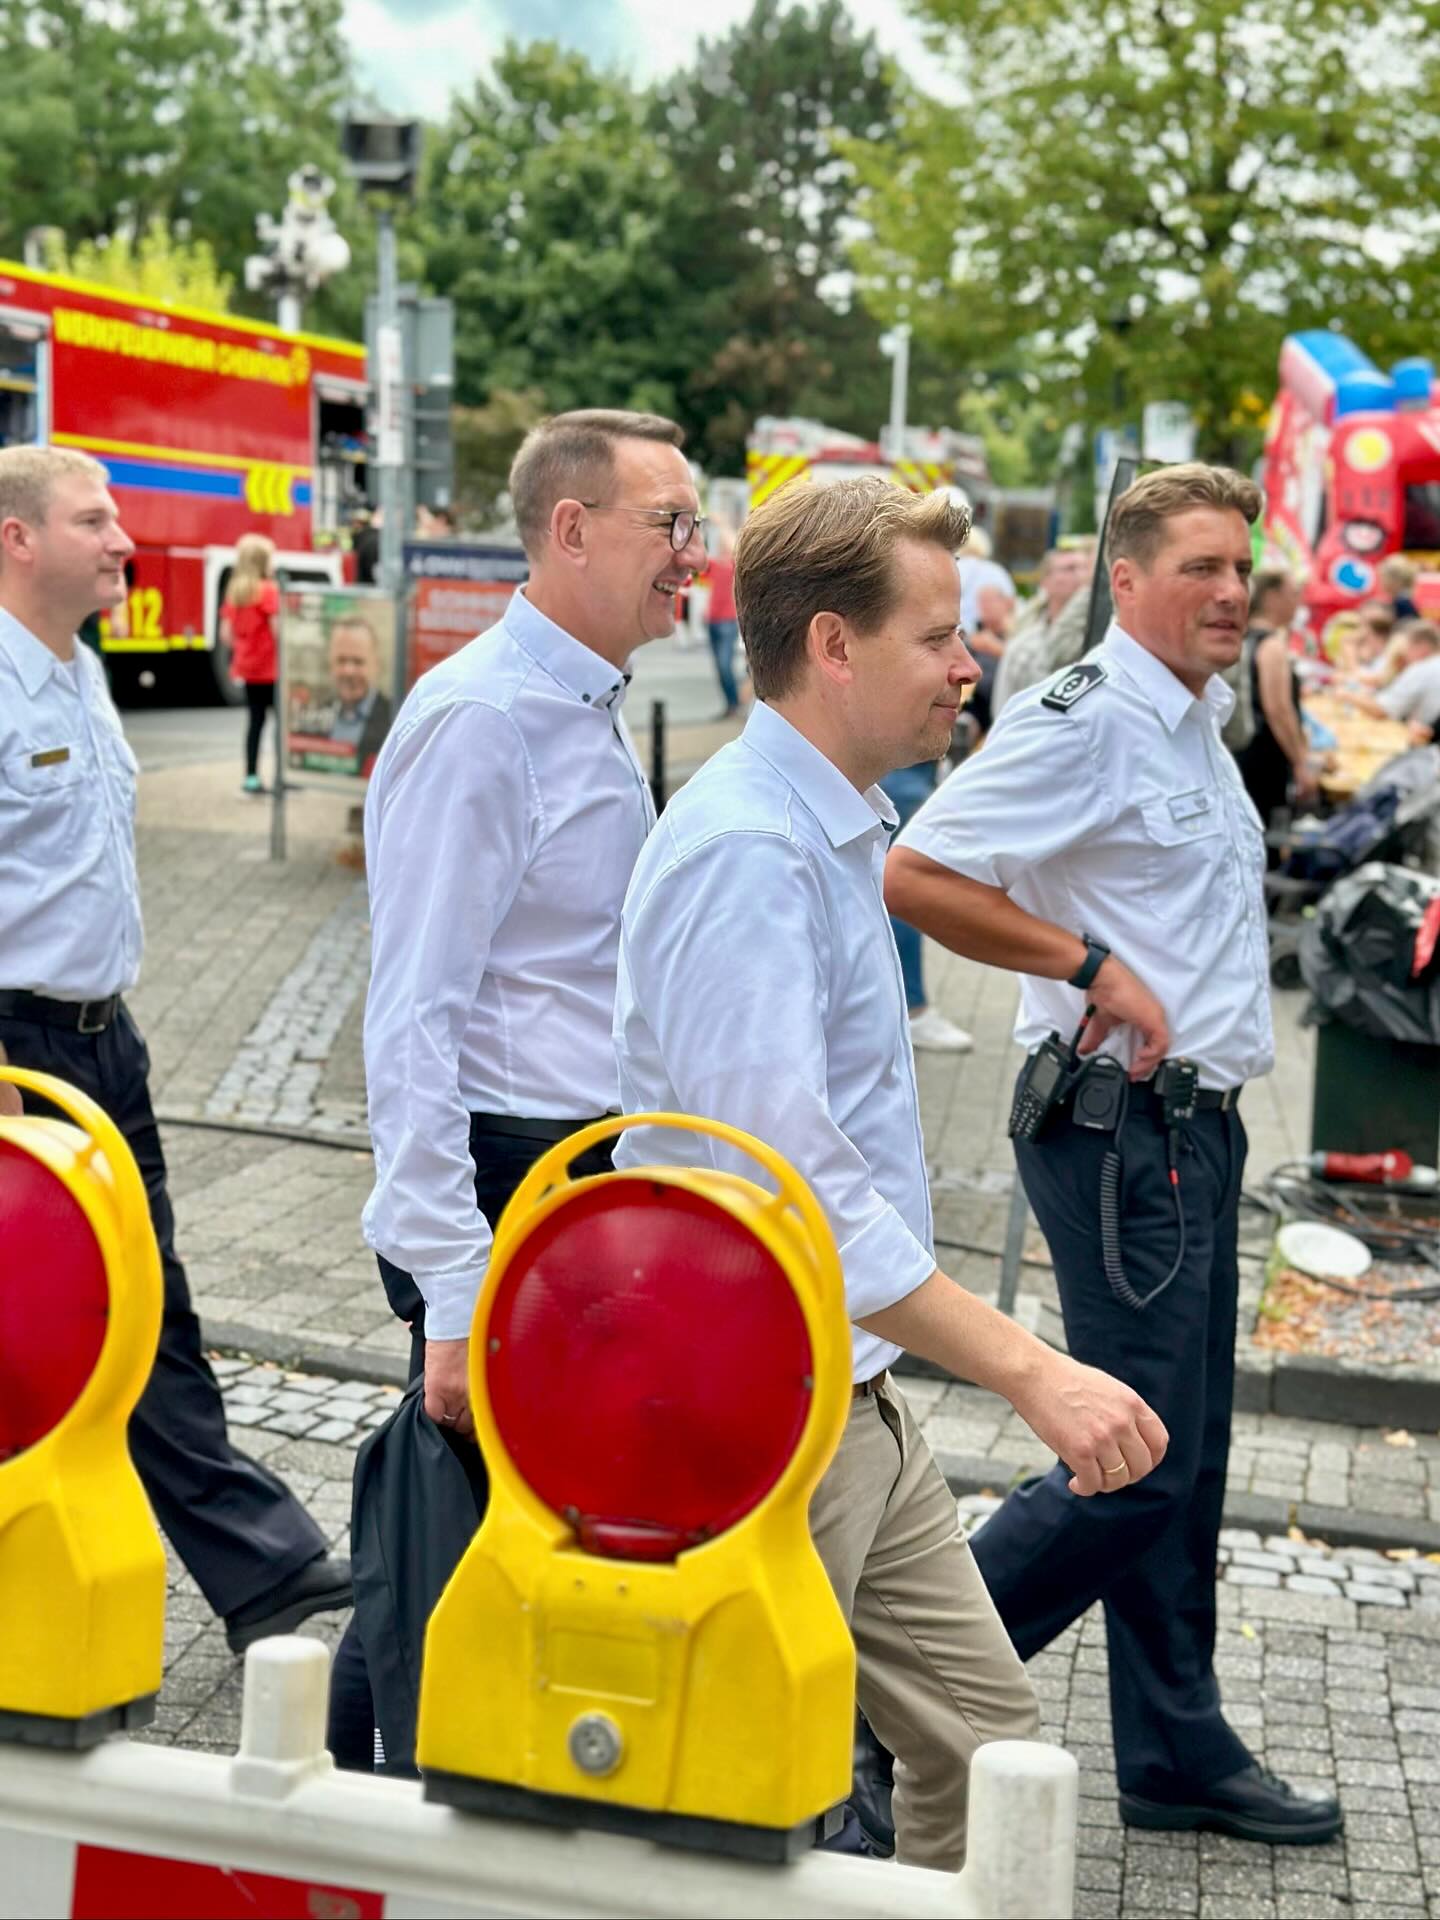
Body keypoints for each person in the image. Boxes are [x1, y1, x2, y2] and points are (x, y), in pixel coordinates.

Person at [611, 475, 1170, 1872]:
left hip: (842, 1389)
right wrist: (1032, 1369)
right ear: (835, 647)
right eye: (938, 637)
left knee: (987, 1750)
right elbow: (789, 1190)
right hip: (758, 1402)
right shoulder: (749, 849)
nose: (971, 667)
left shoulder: (825, 824)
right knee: (730, 1794)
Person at [885, 461, 1342, 1847]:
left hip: (1193, 1128)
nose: (1228, 591)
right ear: (1125, 581)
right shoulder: (1088, 719)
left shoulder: (1192, 721)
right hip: (1121, 1131)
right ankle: (889, 1707)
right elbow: (920, 867)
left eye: (1237, 567)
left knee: (1181, 1460)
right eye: (1197, 567)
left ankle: (1175, 1744)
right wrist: (1089, 963)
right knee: (1129, 1458)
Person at [329, 409, 704, 1772]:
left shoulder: (581, 701)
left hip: (567, 1164)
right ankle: (380, 1796)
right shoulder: (486, 717)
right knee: (463, 1512)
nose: (691, 555)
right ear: (570, 528)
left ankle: (353, 1782)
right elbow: (413, 1012)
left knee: (478, 1516)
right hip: (500, 1173)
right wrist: (448, 1283)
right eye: (669, 522)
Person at [0, 445, 351, 1653]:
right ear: (16, 539)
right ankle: (269, 1576)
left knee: (144, 1305)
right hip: (13, 1057)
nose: (122, 541)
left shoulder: (79, 668)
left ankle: (269, 1579)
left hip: (104, 1044)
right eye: (93, 520)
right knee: (44, 1325)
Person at [1230, 568, 1319, 832]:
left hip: (1243, 749)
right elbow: (1278, 710)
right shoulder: (1272, 645)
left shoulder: (1241, 636)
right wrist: (1301, 763)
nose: (1298, 602)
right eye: (1293, 594)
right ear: (1272, 597)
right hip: (1264, 757)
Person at [992, 543, 1095, 715]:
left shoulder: (1097, 635)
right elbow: (1004, 705)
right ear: (1046, 581)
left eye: (1085, 567)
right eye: (1070, 568)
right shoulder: (1024, 642)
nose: (1081, 575)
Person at [221, 533, 280, 794]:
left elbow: (225, 634)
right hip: (272, 669)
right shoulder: (268, 590)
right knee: (281, 724)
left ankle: (251, 777)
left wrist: (245, 647)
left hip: (248, 668)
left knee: (255, 723)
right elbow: (277, 629)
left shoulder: (235, 593)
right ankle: (282, 776)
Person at [325, 614, 393, 778]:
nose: (348, 671)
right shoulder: (317, 714)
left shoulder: (393, 719)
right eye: (341, 660)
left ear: (376, 665)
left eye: (358, 662)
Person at [1348, 619, 1440, 737]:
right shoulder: (1428, 666)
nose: (1405, 653)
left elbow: (1382, 710)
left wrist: (1347, 695)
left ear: (1422, 646)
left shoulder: (1422, 669)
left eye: (1407, 647)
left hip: (1421, 743)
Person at [955, 519, 1015, 638]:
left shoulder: (954, 568)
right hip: (993, 635)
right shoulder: (997, 571)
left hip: (959, 633)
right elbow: (1011, 604)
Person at [703, 534, 742, 718]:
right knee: (719, 666)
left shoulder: (735, 565)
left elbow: (735, 545)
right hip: (712, 620)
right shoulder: (715, 566)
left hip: (728, 621)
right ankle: (730, 705)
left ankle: (735, 703)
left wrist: (722, 524)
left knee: (725, 665)